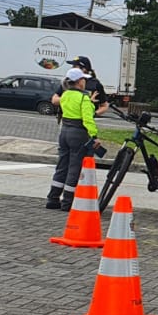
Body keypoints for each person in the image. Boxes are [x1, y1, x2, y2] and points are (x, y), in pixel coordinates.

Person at [45, 67, 100, 210]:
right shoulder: (83, 98)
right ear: (79, 82)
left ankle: (53, 198)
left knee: (62, 164)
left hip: (64, 131)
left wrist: (89, 102)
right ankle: (67, 202)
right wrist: (94, 136)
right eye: (83, 79)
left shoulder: (65, 95)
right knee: (75, 167)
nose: (85, 82)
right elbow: (88, 119)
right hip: (78, 134)